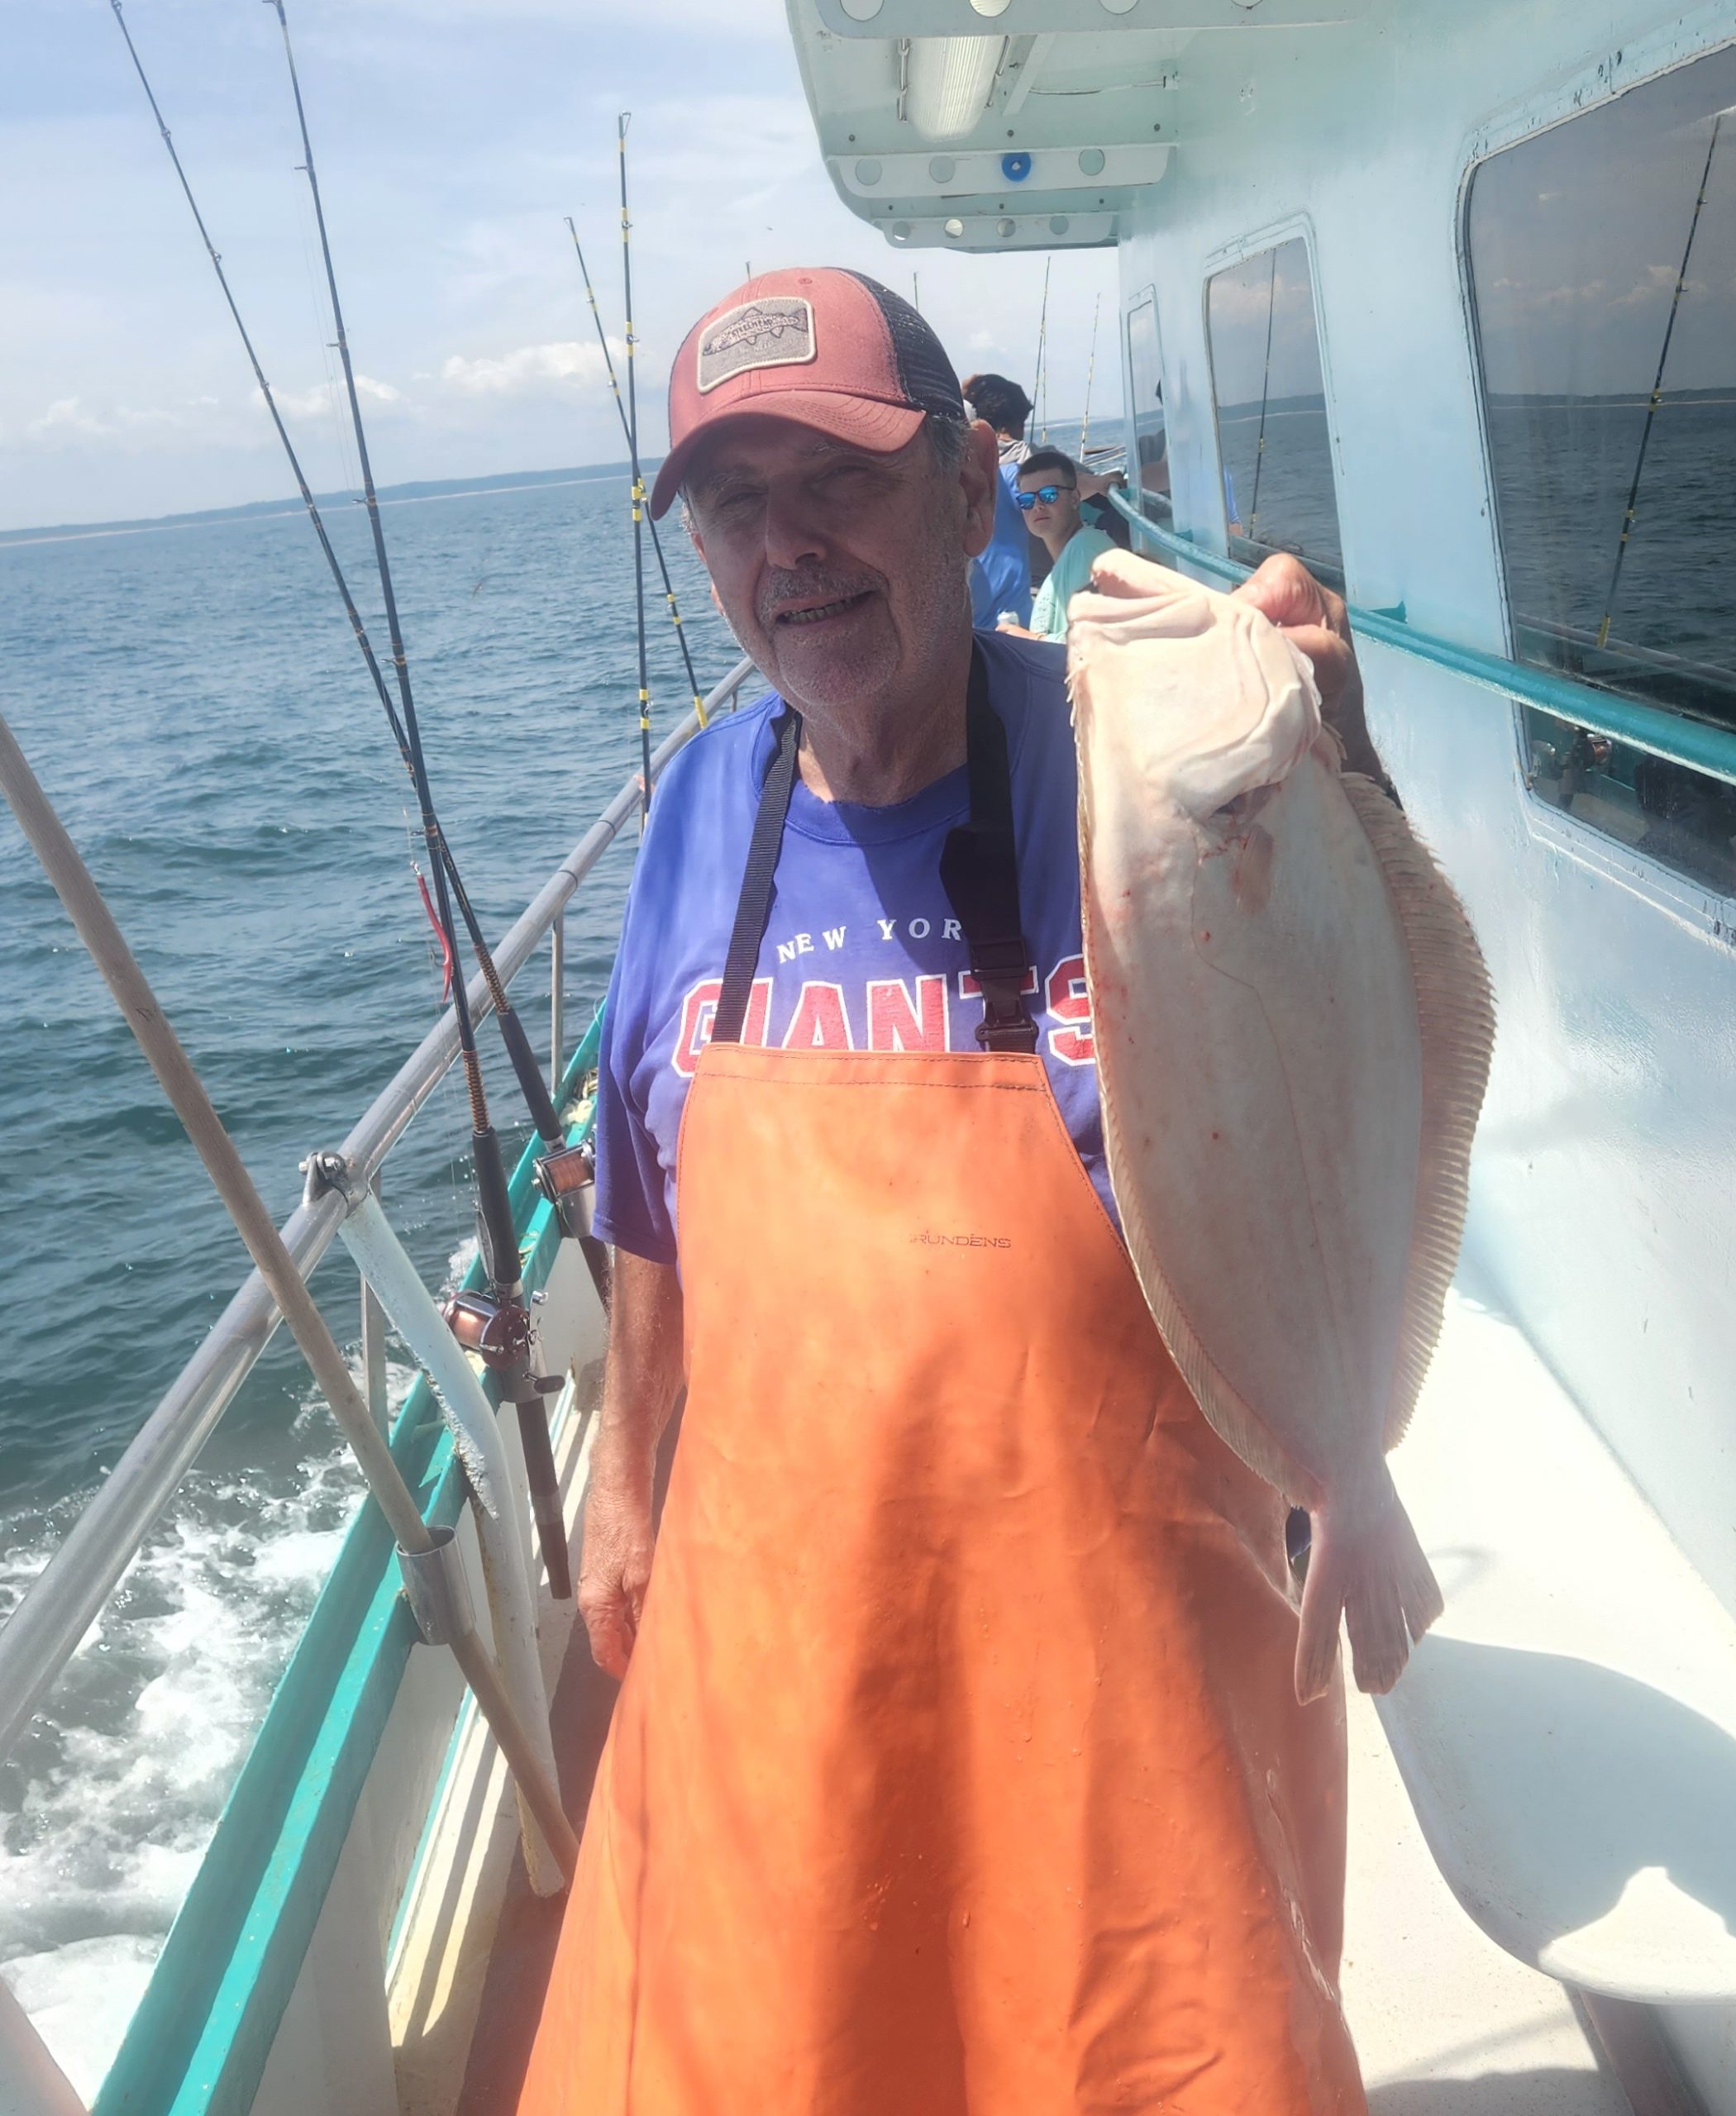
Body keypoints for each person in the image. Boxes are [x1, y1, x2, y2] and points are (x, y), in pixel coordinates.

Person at [519, 265, 1372, 2116]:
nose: (786, 546)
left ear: (968, 494)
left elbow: (1347, 1063)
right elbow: (650, 1188)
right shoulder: (695, 815)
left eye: (831, 478)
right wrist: (622, 1492)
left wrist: (1339, 773)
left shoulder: (1136, 761)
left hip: (1122, 1710)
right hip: (774, 1695)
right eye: (734, 503)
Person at [1015, 444, 1116, 641]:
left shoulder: (1086, 548)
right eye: (1027, 500)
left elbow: (1098, 638)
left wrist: (1030, 640)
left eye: (1048, 495)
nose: (1037, 506)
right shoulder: (1067, 561)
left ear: (1074, 499)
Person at [960, 370, 1035, 617]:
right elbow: (1054, 489)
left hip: (968, 623)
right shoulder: (1019, 468)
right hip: (1011, 622)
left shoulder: (950, 478)